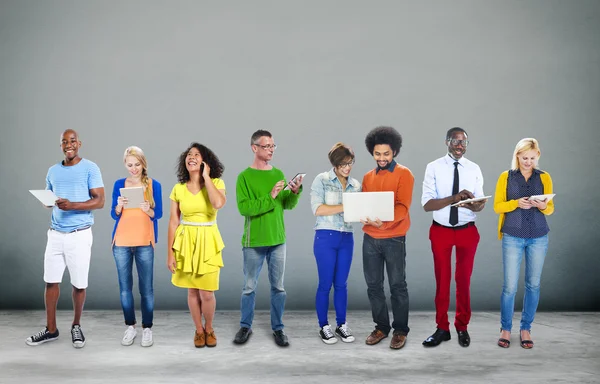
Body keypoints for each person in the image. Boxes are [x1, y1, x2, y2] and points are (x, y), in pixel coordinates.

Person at [26, 129, 105, 348]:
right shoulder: (52, 170)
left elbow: (100, 201)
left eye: (72, 141)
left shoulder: (90, 167)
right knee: (50, 281)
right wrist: (47, 201)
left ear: (79, 143)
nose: (68, 145)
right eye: (64, 142)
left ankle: (76, 326)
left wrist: (73, 205)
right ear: (60, 145)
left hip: (79, 234)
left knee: (79, 284)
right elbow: (48, 198)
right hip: (55, 233)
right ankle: (51, 329)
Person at [233, 130, 303, 347]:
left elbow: (287, 205)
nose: (271, 149)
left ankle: (278, 328)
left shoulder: (278, 173)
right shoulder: (244, 177)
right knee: (249, 287)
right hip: (254, 243)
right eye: (267, 146)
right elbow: (245, 208)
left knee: (278, 288)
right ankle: (245, 326)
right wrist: (270, 195)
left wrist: (295, 191)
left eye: (273, 146)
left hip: (277, 240)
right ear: (255, 148)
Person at [421, 127, 487, 348]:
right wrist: (455, 198)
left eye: (464, 142)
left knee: (464, 282)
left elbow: (478, 204)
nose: (460, 146)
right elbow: (427, 205)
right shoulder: (434, 167)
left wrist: (477, 204)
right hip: (441, 230)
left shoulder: (474, 168)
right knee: (442, 282)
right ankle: (442, 328)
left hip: (467, 230)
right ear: (447, 142)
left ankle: (462, 327)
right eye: (456, 141)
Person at [494, 138, 554, 349]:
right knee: (509, 287)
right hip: (512, 235)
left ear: (537, 157)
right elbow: (497, 206)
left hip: (538, 236)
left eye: (532, 158)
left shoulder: (544, 177)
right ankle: (506, 329)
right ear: (517, 156)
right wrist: (515, 203)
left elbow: (551, 208)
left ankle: (526, 328)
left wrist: (543, 205)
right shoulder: (506, 177)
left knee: (533, 284)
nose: (528, 162)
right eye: (524, 158)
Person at [167, 143, 226, 348]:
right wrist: (170, 253)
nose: (191, 157)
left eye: (197, 154)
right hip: (186, 241)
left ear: (205, 161)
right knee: (192, 291)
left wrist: (207, 177)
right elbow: (173, 221)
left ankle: (209, 327)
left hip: (208, 240)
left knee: (206, 292)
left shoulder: (217, 182)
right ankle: (198, 330)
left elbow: (218, 204)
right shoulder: (178, 188)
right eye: (189, 155)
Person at [361, 126, 414, 350]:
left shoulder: (405, 174)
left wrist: (384, 223)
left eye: (386, 154)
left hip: (394, 238)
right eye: (377, 154)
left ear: (394, 153)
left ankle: (400, 330)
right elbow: (364, 205)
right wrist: (363, 217)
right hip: (370, 238)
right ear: (372, 153)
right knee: (373, 286)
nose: (381, 158)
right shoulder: (367, 177)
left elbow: (403, 207)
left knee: (397, 286)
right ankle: (382, 327)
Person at [110, 146, 163, 347]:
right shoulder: (119, 184)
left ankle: (147, 328)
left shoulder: (153, 184)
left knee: (146, 289)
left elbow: (158, 215)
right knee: (125, 289)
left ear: (143, 163)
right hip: (121, 242)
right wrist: (118, 206)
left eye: (137, 164)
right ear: (125, 165)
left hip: (144, 242)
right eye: (130, 165)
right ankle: (130, 327)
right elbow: (114, 215)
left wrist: (148, 209)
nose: (133, 169)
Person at [310, 142, 361, 344]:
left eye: (350, 163)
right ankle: (324, 326)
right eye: (343, 164)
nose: (347, 168)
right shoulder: (321, 180)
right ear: (335, 164)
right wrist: (346, 205)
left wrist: (368, 215)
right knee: (325, 284)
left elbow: (357, 213)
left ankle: (342, 325)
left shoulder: (356, 185)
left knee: (341, 284)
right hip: (325, 237)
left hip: (347, 237)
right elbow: (318, 209)